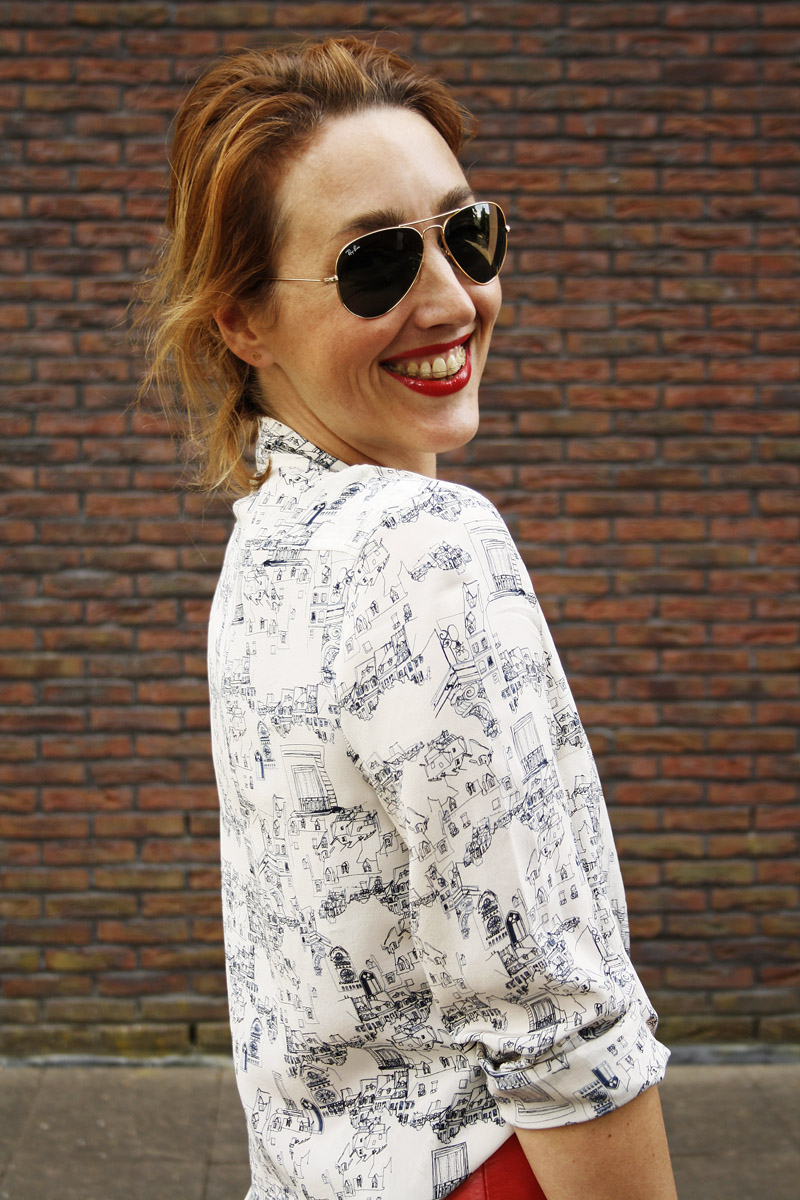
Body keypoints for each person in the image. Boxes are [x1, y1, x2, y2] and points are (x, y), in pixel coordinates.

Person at [139, 37, 677, 1200]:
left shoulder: (267, 542)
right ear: (242, 321)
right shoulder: (425, 543)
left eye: (464, 233)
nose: (451, 298)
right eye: (373, 263)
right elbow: (555, 1017)